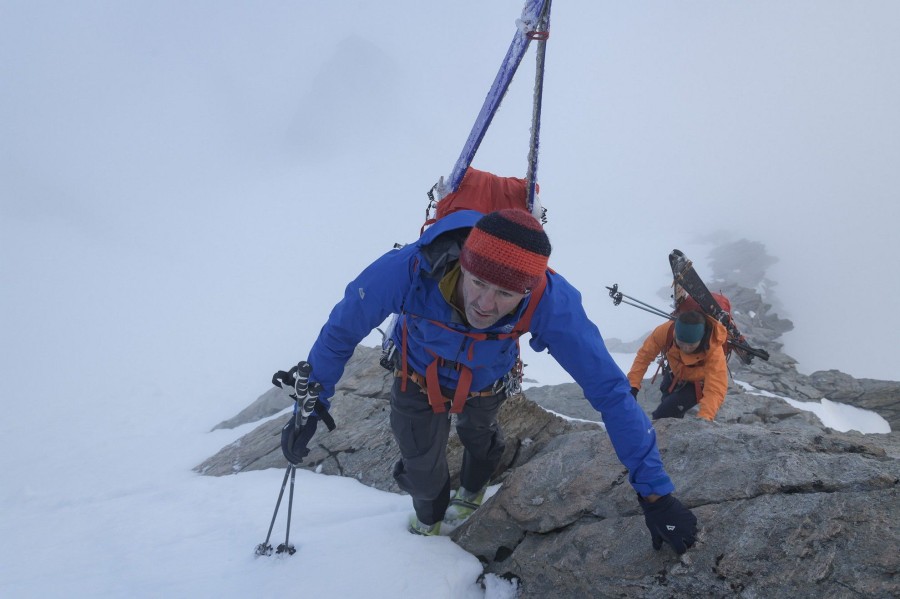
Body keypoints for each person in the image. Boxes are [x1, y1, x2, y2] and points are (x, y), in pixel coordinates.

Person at [277, 208, 697, 553]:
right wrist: (312, 405)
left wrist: (655, 494)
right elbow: (341, 331)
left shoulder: (550, 301)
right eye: (477, 282)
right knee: (423, 472)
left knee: (481, 437)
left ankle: (475, 487)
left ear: (527, 292)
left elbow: (610, 393)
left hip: (487, 381)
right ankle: (429, 519)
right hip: (416, 374)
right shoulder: (409, 269)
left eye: (505, 295)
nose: (484, 303)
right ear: (463, 263)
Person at [627, 309, 729, 421]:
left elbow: (715, 388)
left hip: (697, 384)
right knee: (667, 410)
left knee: (662, 415)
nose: (685, 348)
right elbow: (644, 356)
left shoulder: (713, 350)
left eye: (691, 345)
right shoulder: (666, 331)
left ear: (701, 337)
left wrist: (705, 417)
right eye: (681, 343)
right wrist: (633, 385)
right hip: (673, 374)